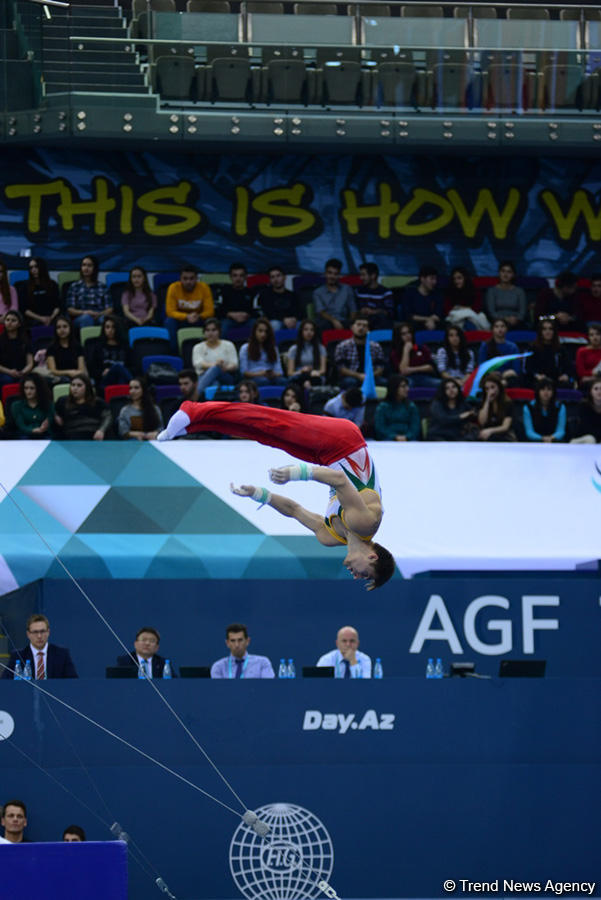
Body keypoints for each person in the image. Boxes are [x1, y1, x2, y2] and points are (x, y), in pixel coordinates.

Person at [157, 401, 395, 589]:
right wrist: (297, 473)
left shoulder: (330, 536)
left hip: (326, 456)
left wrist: (260, 495)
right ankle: (193, 410)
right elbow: (340, 480)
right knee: (272, 424)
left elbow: (294, 510)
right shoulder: (365, 523)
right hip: (345, 442)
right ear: (373, 558)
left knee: (265, 435)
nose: (356, 576)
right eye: (366, 575)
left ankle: (192, 424)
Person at [2, 614, 78, 679]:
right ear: (28, 634)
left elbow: (72, 682)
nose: (39, 636)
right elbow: (5, 683)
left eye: (42, 631)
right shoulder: (18, 656)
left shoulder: (61, 654)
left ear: (48, 632)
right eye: (35, 632)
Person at [165, 264, 214, 349]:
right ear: (180, 279)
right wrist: (186, 316)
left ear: (196, 279)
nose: (188, 282)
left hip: (198, 319)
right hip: (181, 320)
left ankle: (210, 349)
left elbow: (210, 311)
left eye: (191, 278)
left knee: (212, 321)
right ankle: (174, 352)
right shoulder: (173, 287)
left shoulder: (204, 287)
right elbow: (169, 311)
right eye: (185, 278)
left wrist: (199, 316)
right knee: (169, 321)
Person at [54, 374, 112, 440]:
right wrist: (55, 415)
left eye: (79, 385)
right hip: (72, 437)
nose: (75, 388)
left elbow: (108, 417)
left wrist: (101, 430)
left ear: (87, 387)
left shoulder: (98, 402)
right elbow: (52, 410)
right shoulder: (63, 401)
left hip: (94, 435)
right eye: (73, 385)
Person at [335, 313, 385, 389]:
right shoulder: (343, 346)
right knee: (350, 382)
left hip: (371, 376)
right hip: (351, 376)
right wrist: (358, 375)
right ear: (352, 327)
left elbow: (380, 368)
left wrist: (369, 376)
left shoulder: (376, 346)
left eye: (364, 326)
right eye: (358, 325)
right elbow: (341, 369)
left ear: (368, 329)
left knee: (383, 382)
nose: (361, 328)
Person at [191, 317, 238, 392]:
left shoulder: (228, 345)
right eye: (207, 330)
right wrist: (215, 365)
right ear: (204, 332)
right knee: (215, 383)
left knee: (216, 369)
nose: (210, 333)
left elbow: (234, 364)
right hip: (203, 376)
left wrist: (224, 368)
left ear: (219, 331)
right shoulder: (198, 347)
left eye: (213, 330)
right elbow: (198, 364)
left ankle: (196, 393)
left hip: (225, 376)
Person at [66, 255, 112, 329]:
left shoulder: (102, 287)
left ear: (95, 268)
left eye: (89, 265)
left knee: (105, 320)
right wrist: (85, 312)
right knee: (87, 319)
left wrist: (99, 314)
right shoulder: (75, 286)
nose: (86, 268)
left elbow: (109, 309)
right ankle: (87, 340)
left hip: (99, 315)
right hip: (81, 317)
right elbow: (70, 310)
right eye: (84, 265)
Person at [524, 316, 571, 387]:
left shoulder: (561, 349)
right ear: (540, 332)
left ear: (554, 332)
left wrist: (565, 375)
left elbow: (568, 367)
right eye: (544, 329)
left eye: (550, 329)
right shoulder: (532, 348)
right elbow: (527, 368)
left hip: (556, 380)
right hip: (537, 380)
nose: (547, 332)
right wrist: (537, 375)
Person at [238, 317, 285, 386]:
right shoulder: (245, 348)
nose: (263, 334)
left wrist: (273, 374)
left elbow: (280, 372)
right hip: (254, 377)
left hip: (271, 377)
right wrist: (260, 374)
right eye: (260, 331)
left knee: (283, 381)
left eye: (266, 332)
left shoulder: (273, 348)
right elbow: (243, 372)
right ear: (254, 332)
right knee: (264, 381)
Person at [312, 258, 356, 332]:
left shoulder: (347, 289)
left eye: (335, 274)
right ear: (325, 273)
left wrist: (352, 323)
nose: (332, 276)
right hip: (326, 321)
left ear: (339, 275)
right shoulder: (318, 292)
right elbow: (320, 312)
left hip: (344, 321)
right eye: (329, 273)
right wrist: (334, 321)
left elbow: (353, 310)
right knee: (322, 325)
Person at [87, 315, 131, 388]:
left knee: (119, 370)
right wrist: (102, 372)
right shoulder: (97, 346)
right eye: (107, 327)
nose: (110, 330)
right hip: (105, 381)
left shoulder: (126, 346)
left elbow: (134, 368)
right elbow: (92, 368)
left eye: (113, 327)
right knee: (117, 367)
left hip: (123, 379)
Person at [390, 321, 438, 388]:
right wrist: (406, 350)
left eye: (409, 332)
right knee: (404, 386)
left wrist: (411, 369)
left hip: (425, 377)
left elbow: (430, 367)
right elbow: (403, 371)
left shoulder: (422, 348)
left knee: (440, 384)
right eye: (403, 334)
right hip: (406, 379)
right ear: (398, 336)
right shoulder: (395, 353)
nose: (408, 336)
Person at [427, 377, 476, 441]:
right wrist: (460, 417)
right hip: (438, 435)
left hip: (456, 436)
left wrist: (473, 413)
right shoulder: (437, 403)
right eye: (447, 388)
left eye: (454, 387)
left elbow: (472, 412)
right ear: (443, 391)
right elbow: (443, 419)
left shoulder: (462, 403)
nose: (451, 390)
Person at [374, 374, 420, 441]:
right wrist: (394, 437)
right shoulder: (383, 407)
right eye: (403, 386)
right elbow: (380, 427)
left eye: (407, 386)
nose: (407, 389)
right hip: (388, 439)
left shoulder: (411, 406)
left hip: (408, 439)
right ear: (394, 388)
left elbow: (415, 427)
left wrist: (407, 437)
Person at [217, 262, 257, 337]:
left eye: (241, 276)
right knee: (222, 327)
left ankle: (255, 348)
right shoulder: (224, 291)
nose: (238, 278)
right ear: (230, 277)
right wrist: (230, 314)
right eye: (235, 275)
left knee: (257, 326)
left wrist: (247, 314)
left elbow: (255, 311)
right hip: (229, 320)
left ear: (245, 277)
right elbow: (218, 310)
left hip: (247, 320)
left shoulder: (251, 292)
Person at [117, 377, 163, 441]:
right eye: (130, 388)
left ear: (143, 390)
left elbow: (161, 427)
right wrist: (137, 434)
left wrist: (156, 433)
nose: (132, 391)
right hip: (132, 442)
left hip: (152, 441)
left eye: (136, 388)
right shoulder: (125, 410)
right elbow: (123, 431)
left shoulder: (155, 408)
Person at [522, 377, 566, 443]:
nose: (546, 392)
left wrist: (552, 438)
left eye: (549, 389)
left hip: (555, 441)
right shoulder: (528, 407)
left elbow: (561, 430)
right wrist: (541, 438)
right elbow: (529, 431)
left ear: (553, 392)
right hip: (535, 441)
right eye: (542, 389)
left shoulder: (560, 407)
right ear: (538, 391)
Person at [484, 261, 527, 327]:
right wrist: (505, 319)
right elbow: (491, 312)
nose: (505, 274)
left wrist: (516, 319)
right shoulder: (492, 291)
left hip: (516, 322)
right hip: (497, 322)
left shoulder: (519, 291)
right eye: (503, 271)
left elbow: (522, 312)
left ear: (513, 275)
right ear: (499, 273)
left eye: (509, 272)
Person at [11, 373, 54, 439]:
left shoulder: (48, 404)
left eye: (32, 388)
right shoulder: (16, 405)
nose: (28, 391)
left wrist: (44, 427)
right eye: (26, 388)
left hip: (44, 434)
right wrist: (33, 430)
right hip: (25, 436)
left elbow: (49, 420)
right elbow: (21, 426)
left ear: (39, 389)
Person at [20, 257, 60, 327]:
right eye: (31, 268)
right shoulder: (25, 287)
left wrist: (51, 318)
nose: (33, 270)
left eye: (36, 267)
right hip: (33, 319)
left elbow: (58, 306)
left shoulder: (53, 284)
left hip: (51, 318)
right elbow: (24, 309)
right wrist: (40, 318)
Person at [46, 314, 87, 383]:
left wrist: (74, 374)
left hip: (76, 377)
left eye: (65, 326)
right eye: (58, 327)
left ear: (70, 328)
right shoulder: (51, 348)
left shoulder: (78, 347)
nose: (62, 330)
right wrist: (68, 372)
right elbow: (52, 370)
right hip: (58, 378)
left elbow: (81, 369)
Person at [286, 318, 326, 387]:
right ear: (301, 331)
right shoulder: (293, 349)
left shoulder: (321, 348)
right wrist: (301, 371)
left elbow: (323, 370)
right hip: (299, 375)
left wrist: (314, 372)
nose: (309, 332)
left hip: (314, 375)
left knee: (316, 379)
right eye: (306, 329)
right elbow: (290, 373)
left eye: (312, 330)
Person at [258, 266, 300, 331]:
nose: (276, 279)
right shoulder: (265, 295)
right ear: (270, 280)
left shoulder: (292, 295)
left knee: (303, 325)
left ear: (284, 277)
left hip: (292, 321)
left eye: (278, 276)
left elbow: (299, 311)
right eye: (272, 277)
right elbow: (268, 312)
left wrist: (294, 319)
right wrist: (284, 319)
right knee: (275, 324)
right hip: (275, 321)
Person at [477, 318, 520, 383]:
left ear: (506, 329)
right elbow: (481, 366)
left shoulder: (513, 347)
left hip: (507, 377)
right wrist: (491, 374)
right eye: (496, 326)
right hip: (490, 377)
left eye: (502, 326)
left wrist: (504, 375)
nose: (500, 329)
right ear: (492, 329)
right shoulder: (485, 346)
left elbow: (516, 369)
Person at [476, 372, 515, 441]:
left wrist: (490, 431)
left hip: (503, 435)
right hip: (486, 434)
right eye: (487, 389)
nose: (490, 391)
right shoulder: (483, 403)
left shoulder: (508, 403)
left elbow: (505, 427)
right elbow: (482, 422)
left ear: (499, 387)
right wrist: (487, 400)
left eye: (493, 387)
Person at [402, 266, 442, 330]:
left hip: (432, 324)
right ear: (422, 279)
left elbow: (438, 315)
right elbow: (408, 316)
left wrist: (431, 320)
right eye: (432, 279)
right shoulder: (410, 294)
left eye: (435, 279)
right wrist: (427, 319)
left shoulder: (437, 295)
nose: (434, 282)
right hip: (415, 325)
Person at [355, 262, 394, 329]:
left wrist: (373, 312)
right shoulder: (358, 291)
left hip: (378, 321)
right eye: (360, 275)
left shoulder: (385, 292)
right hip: (362, 321)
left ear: (373, 275)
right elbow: (354, 310)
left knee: (382, 318)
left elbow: (389, 313)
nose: (361, 278)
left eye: (363, 275)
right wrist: (361, 311)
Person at [0, 310, 33, 386]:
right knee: (7, 380)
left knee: (31, 380)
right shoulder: (0, 340)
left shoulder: (25, 340)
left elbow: (30, 363)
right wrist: (10, 372)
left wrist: (23, 372)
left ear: (19, 324)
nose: (9, 323)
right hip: (5, 372)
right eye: (7, 320)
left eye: (13, 320)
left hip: (22, 372)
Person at [571, 376, 601, 443]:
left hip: (598, 440)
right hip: (582, 439)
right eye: (596, 389)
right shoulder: (584, 406)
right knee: (590, 439)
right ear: (591, 391)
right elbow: (586, 428)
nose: (599, 391)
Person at [575, 323, 601, 388]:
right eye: (591, 335)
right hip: (587, 382)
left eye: (598, 334)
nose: (595, 337)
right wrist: (592, 373)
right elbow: (580, 372)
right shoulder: (582, 351)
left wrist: (592, 376)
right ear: (588, 337)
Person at [0, 259, 18, 323]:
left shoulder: (11, 289)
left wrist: (5, 317)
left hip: (6, 320)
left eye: (0, 272)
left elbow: (14, 308)